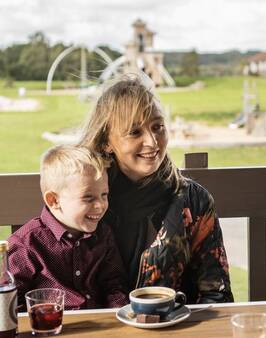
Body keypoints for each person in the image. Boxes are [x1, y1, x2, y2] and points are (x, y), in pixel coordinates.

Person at [79, 75, 233, 304]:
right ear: (106, 142)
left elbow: (216, 294)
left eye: (158, 127)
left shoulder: (193, 200)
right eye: (135, 132)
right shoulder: (84, 200)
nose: (152, 142)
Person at [8, 145, 128, 310]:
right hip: (51, 328)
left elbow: (114, 284)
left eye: (104, 195)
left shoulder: (103, 234)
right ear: (54, 201)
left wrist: (118, 315)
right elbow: (11, 301)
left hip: (100, 325)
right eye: (88, 197)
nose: (100, 206)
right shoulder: (26, 244)